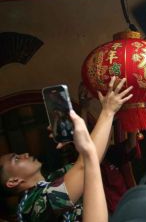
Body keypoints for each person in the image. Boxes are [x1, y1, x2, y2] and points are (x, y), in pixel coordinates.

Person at [0, 77, 133, 221]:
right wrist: (107, 111)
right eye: (16, 158)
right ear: (13, 181)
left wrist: (85, 109)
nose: (24, 154)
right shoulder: (31, 207)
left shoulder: (52, 179)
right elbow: (85, 165)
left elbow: (93, 159)